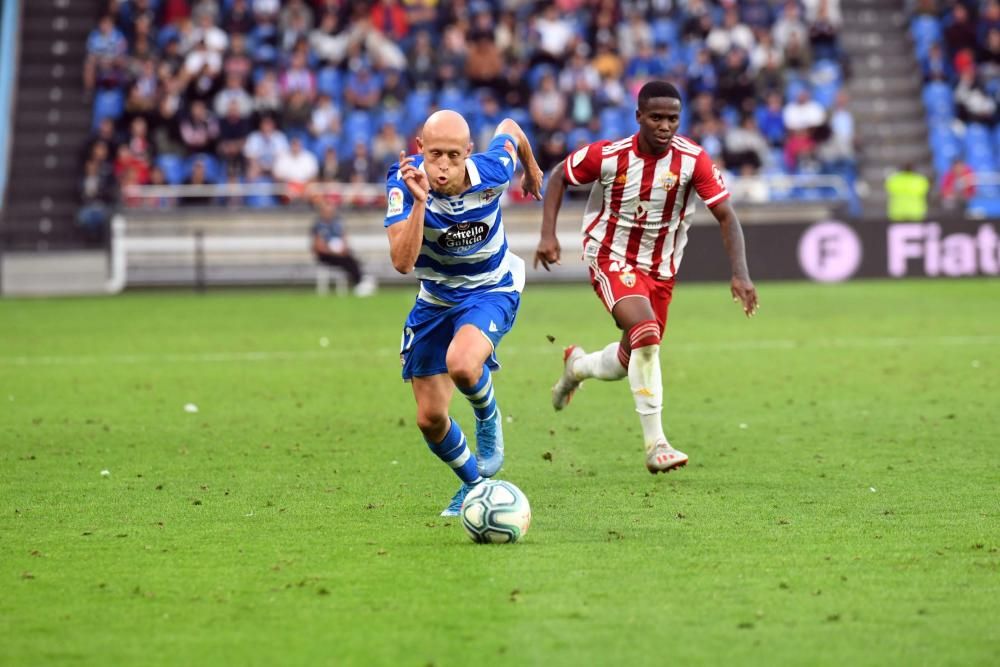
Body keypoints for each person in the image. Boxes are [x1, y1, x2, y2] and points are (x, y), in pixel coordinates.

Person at [533, 80, 759, 475]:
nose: (665, 126)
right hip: (609, 255)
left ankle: (577, 367)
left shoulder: (694, 161)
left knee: (628, 359)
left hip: (661, 270)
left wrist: (740, 273)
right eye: (656, 117)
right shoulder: (609, 156)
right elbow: (558, 176)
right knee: (647, 334)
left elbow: (727, 215)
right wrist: (548, 234)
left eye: (673, 118)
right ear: (638, 117)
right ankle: (656, 444)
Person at [385, 110, 543, 516]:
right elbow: (402, 262)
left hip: (491, 288)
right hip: (435, 300)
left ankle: (488, 420)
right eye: (435, 154)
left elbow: (510, 128)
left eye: (454, 156)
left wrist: (532, 167)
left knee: (463, 364)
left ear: (468, 153)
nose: (443, 166)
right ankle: (476, 485)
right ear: (420, 148)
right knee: (430, 418)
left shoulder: (492, 170)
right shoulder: (402, 183)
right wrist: (421, 203)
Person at [311, 196, 375, 296]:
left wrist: (343, 248)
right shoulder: (318, 225)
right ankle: (361, 280)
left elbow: (344, 237)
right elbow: (318, 246)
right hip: (325, 255)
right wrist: (333, 251)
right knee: (347, 260)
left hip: (340, 252)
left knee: (350, 257)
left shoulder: (337, 223)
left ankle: (362, 280)